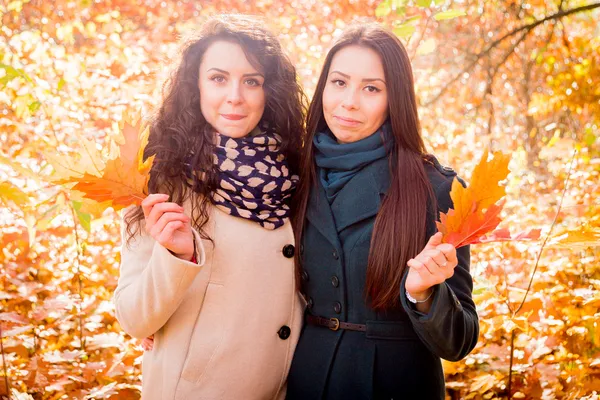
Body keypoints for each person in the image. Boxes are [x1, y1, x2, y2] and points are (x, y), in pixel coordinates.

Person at [113, 14, 306, 400]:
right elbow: (134, 318)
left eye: (252, 81)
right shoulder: (162, 175)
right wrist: (175, 256)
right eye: (218, 78)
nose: (235, 95)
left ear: (270, 91)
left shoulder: (294, 170)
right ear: (195, 86)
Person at [286, 23, 479, 400]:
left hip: (394, 383)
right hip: (307, 376)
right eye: (339, 82)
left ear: (396, 99)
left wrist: (425, 294)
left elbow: (460, 341)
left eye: (371, 88)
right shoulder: (295, 176)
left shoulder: (436, 189)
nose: (349, 101)